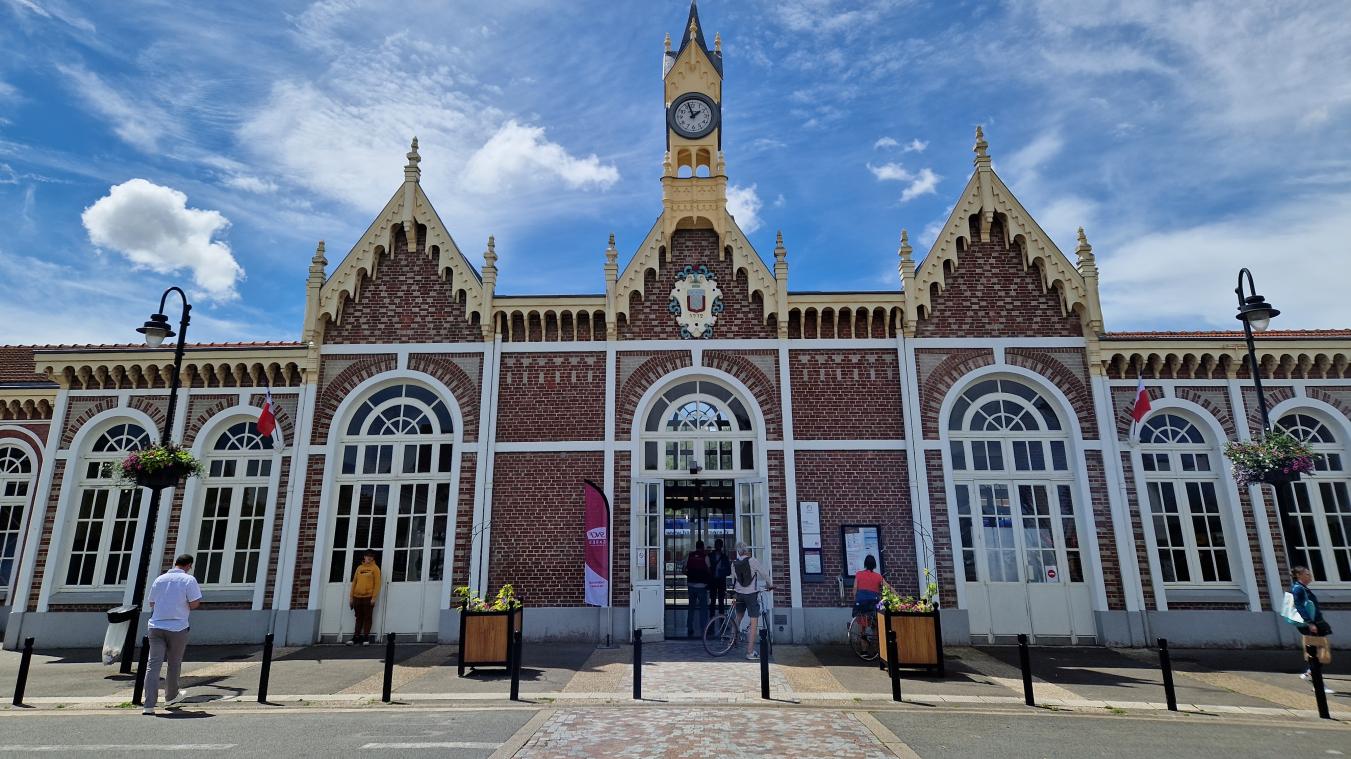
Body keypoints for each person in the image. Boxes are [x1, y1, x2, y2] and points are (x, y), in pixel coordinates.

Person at [142, 554, 202, 716]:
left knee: (153, 665)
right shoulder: (189, 580)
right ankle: (170, 697)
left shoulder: (159, 580)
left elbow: (152, 603)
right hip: (178, 626)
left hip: (156, 626)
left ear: (175, 564)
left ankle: (149, 704)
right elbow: (194, 603)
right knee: (174, 664)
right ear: (189, 565)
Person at [1291, 565, 1335, 694]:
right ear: (1299, 576)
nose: (1309, 576)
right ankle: (1318, 684)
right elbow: (1300, 607)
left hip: (1316, 623)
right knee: (1317, 654)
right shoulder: (1298, 589)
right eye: (1307, 574)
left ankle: (1310, 673)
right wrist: (1310, 623)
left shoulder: (1302, 588)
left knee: (1320, 652)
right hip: (1312, 625)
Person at [731, 541, 773, 660]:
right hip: (750, 594)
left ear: (738, 551)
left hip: (739, 594)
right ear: (746, 550)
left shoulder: (734, 564)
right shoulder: (752, 561)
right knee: (754, 621)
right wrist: (770, 584)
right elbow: (764, 573)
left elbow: (734, 578)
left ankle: (732, 640)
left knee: (738, 618)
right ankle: (750, 652)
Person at [348, 550, 381, 646]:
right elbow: (354, 582)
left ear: (373, 558)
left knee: (367, 617)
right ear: (364, 557)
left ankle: (366, 637)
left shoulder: (375, 569)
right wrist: (351, 597)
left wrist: (374, 597)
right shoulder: (359, 568)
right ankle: (356, 637)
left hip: (368, 597)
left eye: (371, 556)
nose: (369, 558)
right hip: (357, 597)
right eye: (367, 556)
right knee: (358, 617)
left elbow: (377, 584)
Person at [683, 540, 712, 638]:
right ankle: (704, 628)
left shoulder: (689, 556)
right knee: (703, 609)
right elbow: (709, 570)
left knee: (691, 607)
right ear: (703, 547)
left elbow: (684, 569)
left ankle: (690, 627)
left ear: (696, 546)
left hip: (691, 585)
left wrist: (690, 575)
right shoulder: (705, 557)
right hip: (702, 586)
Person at [708, 538, 731, 615]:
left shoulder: (711, 556)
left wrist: (721, 570)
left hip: (716, 581)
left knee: (716, 601)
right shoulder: (724, 557)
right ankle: (717, 617)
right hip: (717, 581)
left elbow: (728, 571)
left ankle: (715, 617)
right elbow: (728, 571)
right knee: (718, 601)